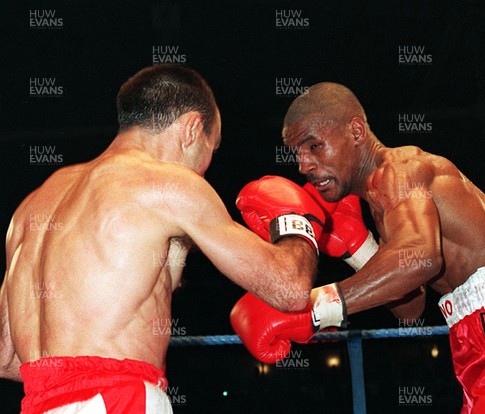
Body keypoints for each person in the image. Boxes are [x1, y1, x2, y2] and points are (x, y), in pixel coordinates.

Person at [229, 82, 485, 412]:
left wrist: (311, 310)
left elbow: (419, 258)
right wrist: (359, 248)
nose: (304, 164)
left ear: (356, 131)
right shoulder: (382, 202)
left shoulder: (402, 170)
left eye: (314, 145)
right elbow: (411, 307)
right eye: (297, 153)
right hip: (477, 335)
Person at [0, 65, 328, 413]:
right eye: (211, 149)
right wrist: (297, 223)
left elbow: (6, 357)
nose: (206, 167)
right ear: (190, 129)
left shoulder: (33, 206)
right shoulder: (168, 183)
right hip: (119, 400)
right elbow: (289, 288)